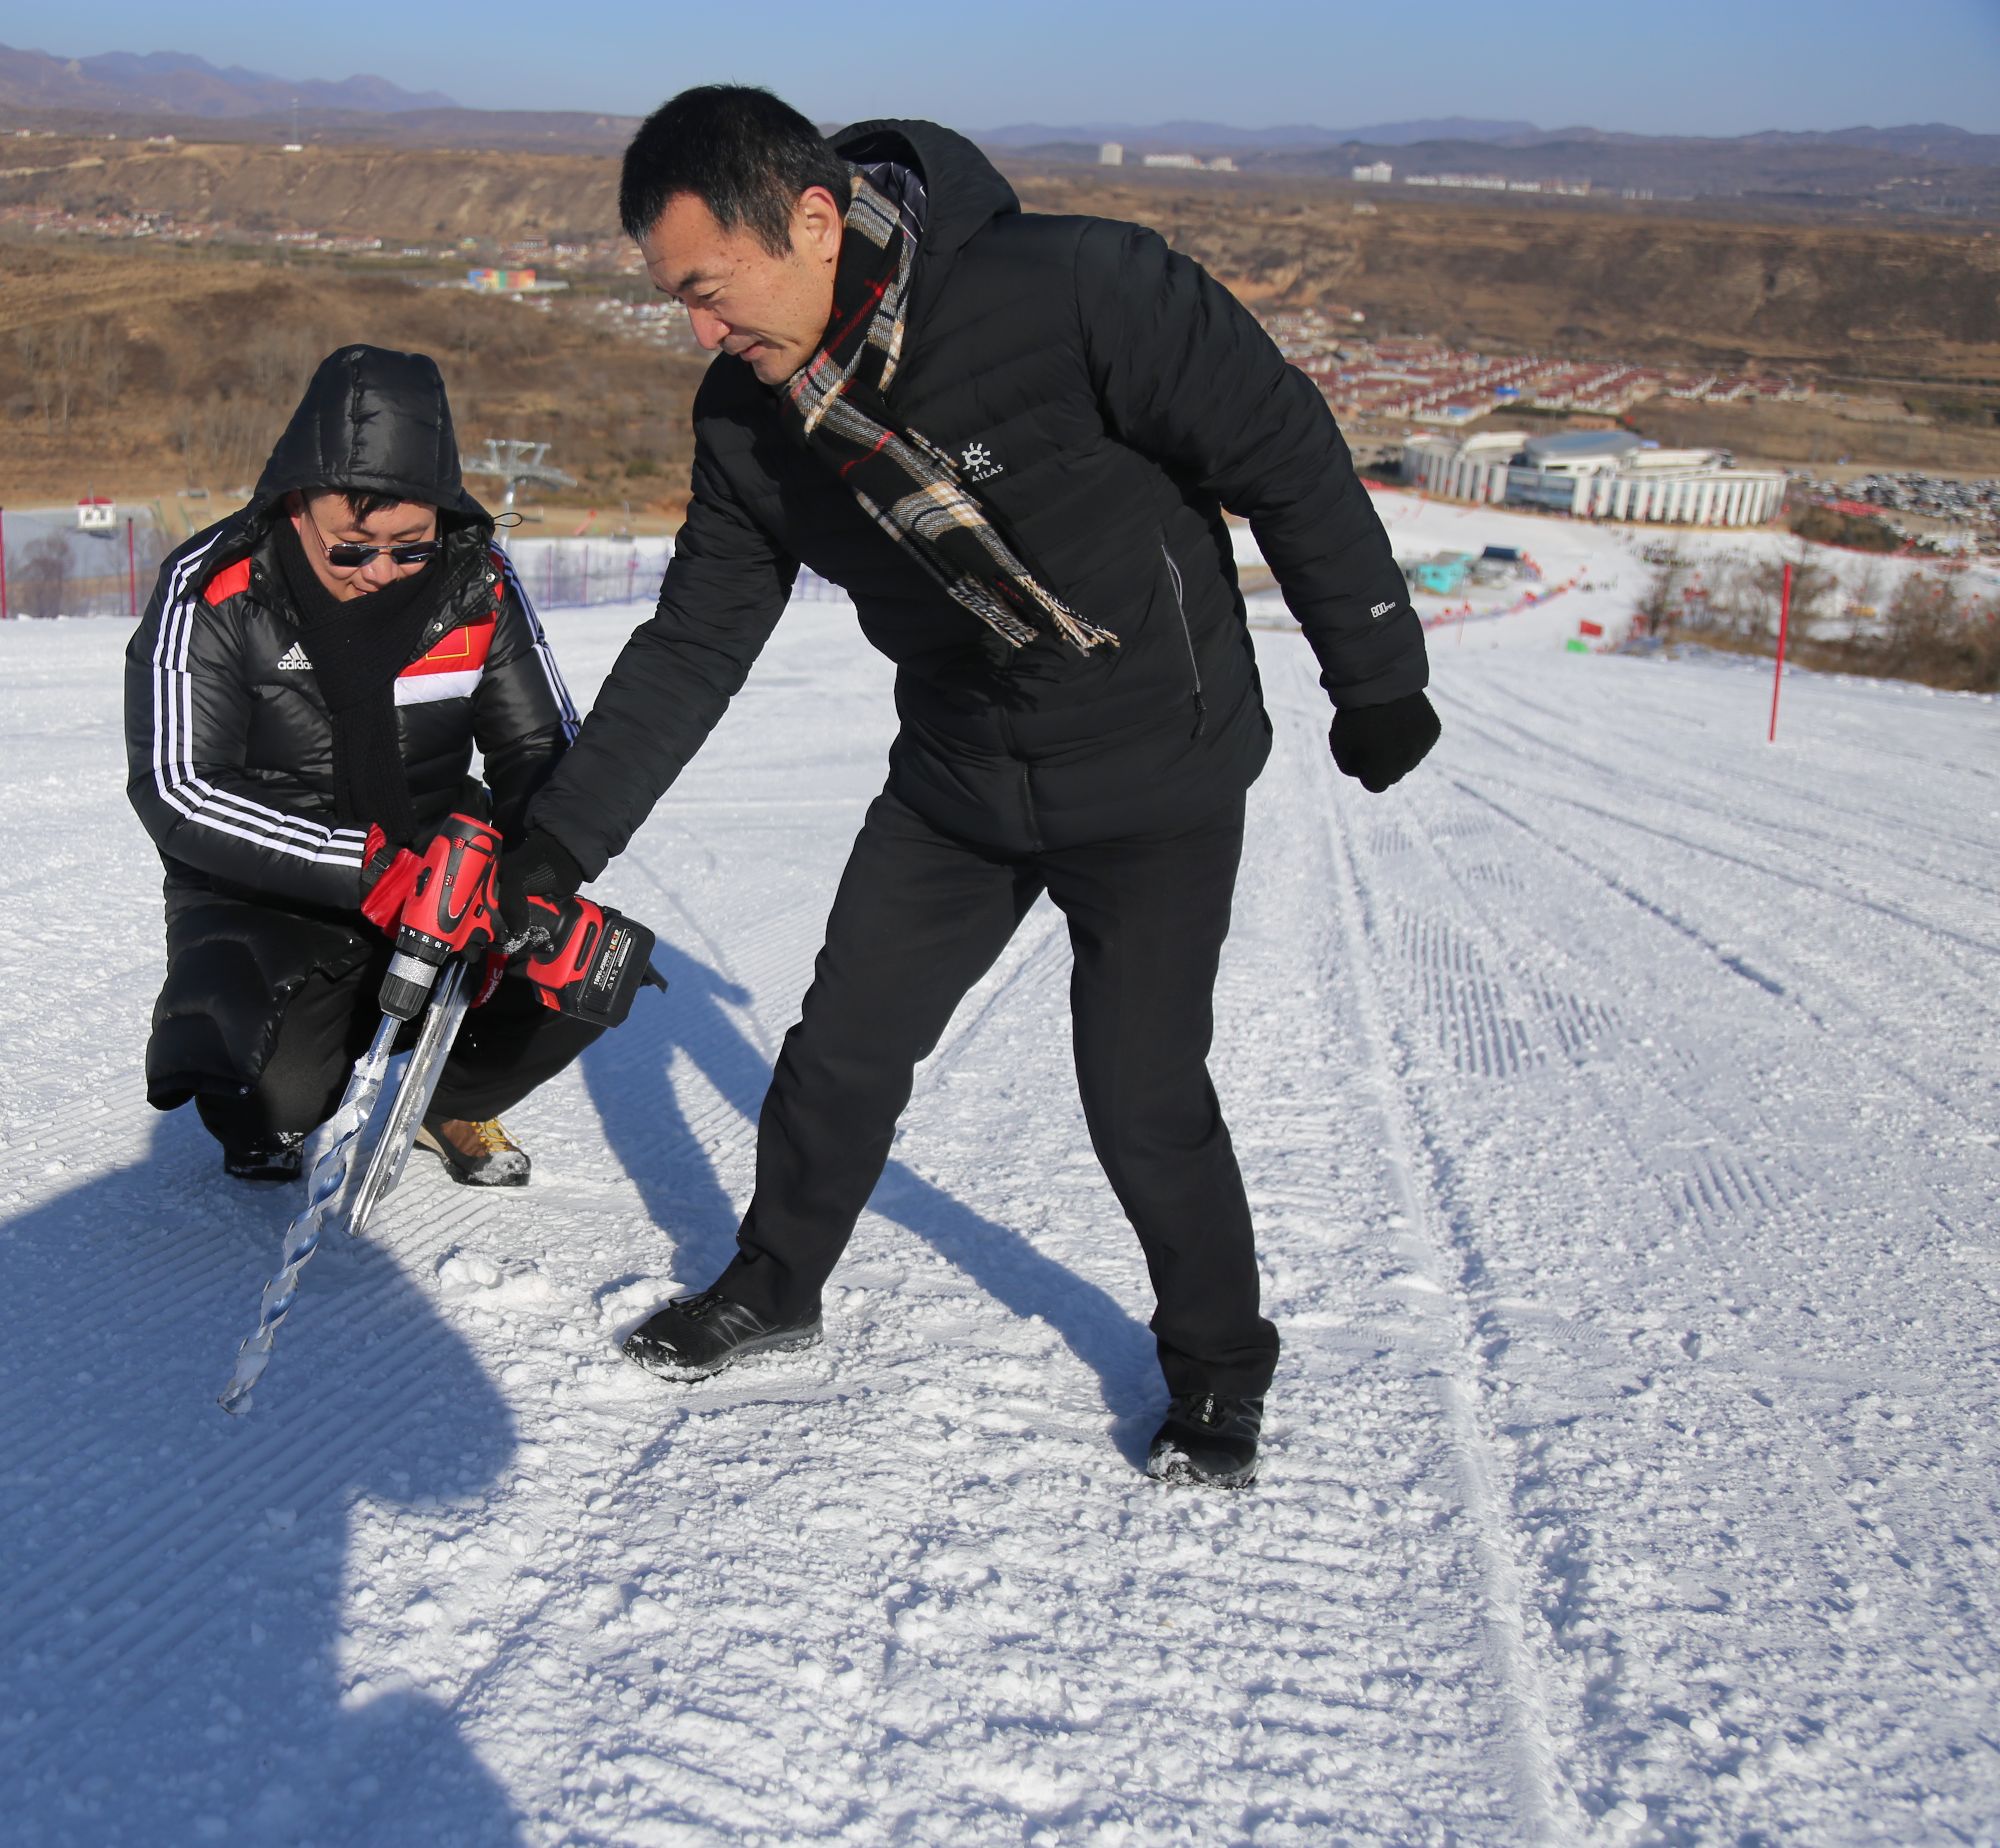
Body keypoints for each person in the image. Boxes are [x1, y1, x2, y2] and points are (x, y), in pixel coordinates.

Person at [496, 89, 1443, 1488]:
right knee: (844, 1045)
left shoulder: (1078, 291)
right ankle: (775, 1286)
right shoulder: (753, 426)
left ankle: (1222, 1367)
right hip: (961, 772)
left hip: (1157, 766)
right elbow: (696, 644)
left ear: (813, 221)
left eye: (708, 290)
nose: (700, 331)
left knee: (1140, 1093)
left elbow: (1282, 447)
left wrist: (1373, 673)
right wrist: (556, 845)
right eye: (675, 302)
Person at [125, 344, 595, 1187]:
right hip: (274, 887)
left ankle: (445, 1098)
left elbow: (540, 747)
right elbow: (179, 788)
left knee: (584, 967)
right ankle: (284, 1096)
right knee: (262, 1093)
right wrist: (370, 869)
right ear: (298, 503)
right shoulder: (217, 589)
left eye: (410, 546)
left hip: (444, 871)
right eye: (353, 548)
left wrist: (533, 872)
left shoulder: (478, 581)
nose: (380, 571)